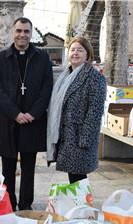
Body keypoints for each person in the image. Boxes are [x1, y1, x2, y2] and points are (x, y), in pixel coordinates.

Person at [0, 17, 53, 211]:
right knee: (7, 168)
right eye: (19, 31)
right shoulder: (0, 59)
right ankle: (8, 204)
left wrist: (33, 114)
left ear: (31, 33)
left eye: (26, 31)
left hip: (32, 121)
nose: (22, 35)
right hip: (7, 120)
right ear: (13, 32)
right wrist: (16, 113)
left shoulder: (42, 58)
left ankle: (26, 205)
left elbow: (46, 88)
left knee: (28, 167)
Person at [47, 36, 106, 184]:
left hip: (80, 137)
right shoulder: (65, 75)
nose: (75, 53)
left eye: (80, 50)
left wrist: (85, 140)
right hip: (67, 136)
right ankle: (80, 205)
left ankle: (83, 205)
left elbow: (95, 111)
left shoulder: (94, 77)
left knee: (78, 178)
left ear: (88, 54)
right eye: (72, 50)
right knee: (74, 178)